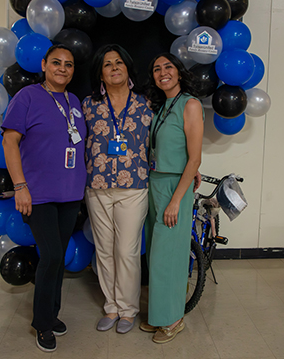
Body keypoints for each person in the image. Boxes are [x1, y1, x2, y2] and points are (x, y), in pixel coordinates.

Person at [2, 45, 87, 353]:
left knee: (59, 255)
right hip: (37, 193)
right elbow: (9, 141)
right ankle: (42, 322)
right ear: (44, 65)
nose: (62, 68)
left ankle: (53, 312)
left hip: (70, 192)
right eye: (56, 63)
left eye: (68, 64)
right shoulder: (27, 97)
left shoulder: (74, 101)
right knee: (50, 255)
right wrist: (20, 186)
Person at [82, 45, 153, 334]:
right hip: (97, 187)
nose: (114, 67)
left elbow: (164, 138)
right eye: (107, 64)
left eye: (119, 62)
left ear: (128, 67)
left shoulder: (147, 103)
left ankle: (128, 309)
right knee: (104, 251)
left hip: (133, 187)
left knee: (126, 251)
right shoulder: (89, 104)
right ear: (100, 71)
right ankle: (111, 307)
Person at [141, 53, 204, 344]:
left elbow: (194, 158)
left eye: (168, 67)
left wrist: (178, 199)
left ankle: (174, 320)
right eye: (157, 69)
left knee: (171, 256)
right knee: (157, 256)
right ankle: (159, 316)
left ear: (179, 72)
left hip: (175, 187)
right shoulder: (163, 106)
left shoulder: (190, 105)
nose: (162, 72)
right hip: (156, 182)